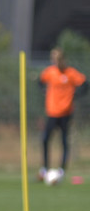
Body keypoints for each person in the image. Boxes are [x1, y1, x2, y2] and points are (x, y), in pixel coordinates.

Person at [37, 47, 87, 183]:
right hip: (52, 112)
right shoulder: (50, 72)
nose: (55, 62)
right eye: (53, 60)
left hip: (66, 113)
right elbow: (40, 81)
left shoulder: (70, 73)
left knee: (64, 141)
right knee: (45, 139)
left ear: (62, 59)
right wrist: (43, 91)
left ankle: (62, 170)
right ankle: (44, 168)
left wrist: (74, 95)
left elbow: (84, 83)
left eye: (57, 59)